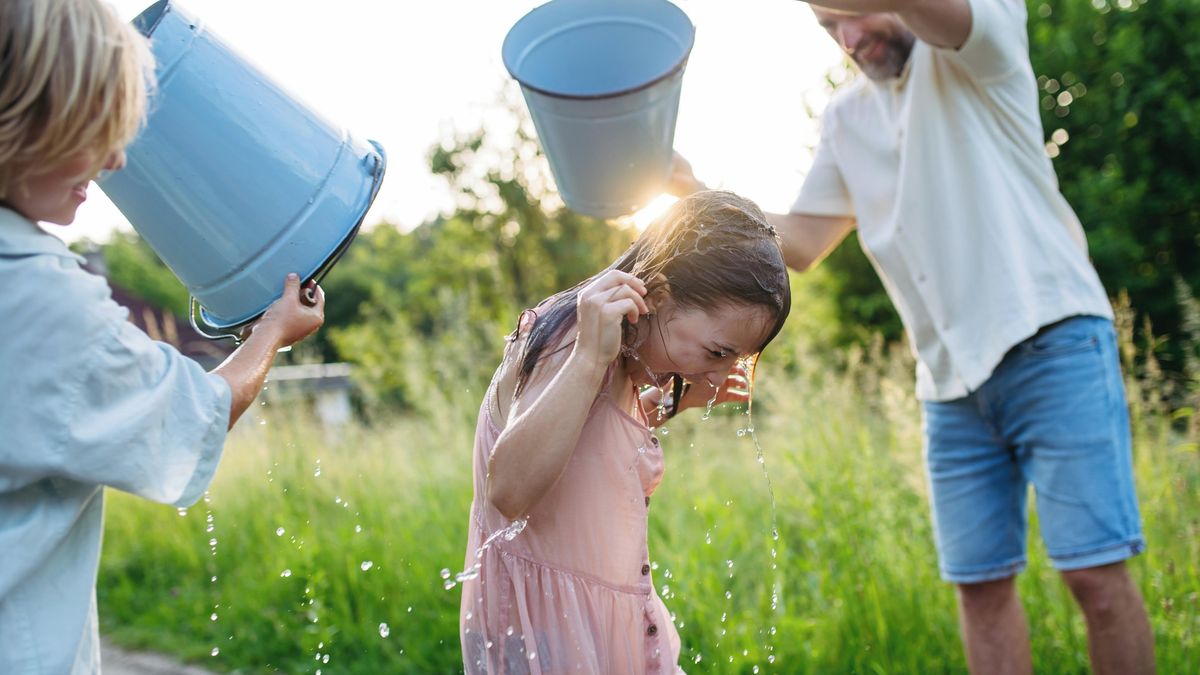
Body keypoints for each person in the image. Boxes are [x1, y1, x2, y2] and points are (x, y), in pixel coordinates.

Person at [671, 1, 1154, 673]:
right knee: (979, 587)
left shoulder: (980, 44)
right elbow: (805, 242)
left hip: (1054, 343)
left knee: (1095, 579)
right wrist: (696, 194)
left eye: (857, 14)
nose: (849, 38)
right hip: (949, 386)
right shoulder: (846, 118)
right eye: (828, 26)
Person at [0, 1, 326, 672]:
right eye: (95, 127)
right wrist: (271, 333)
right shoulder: (37, 295)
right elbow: (195, 411)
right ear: (29, 119)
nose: (116, 157)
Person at [459, 190, 791, 674]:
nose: (721, 376)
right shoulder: (574, 343)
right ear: (655, 296)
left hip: (599, 624)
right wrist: (589, 357)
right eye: (718, 352)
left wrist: (670, 403)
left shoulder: (618, 354)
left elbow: (590, 445)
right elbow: (507, 490)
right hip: (544, 636)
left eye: (736, 359)